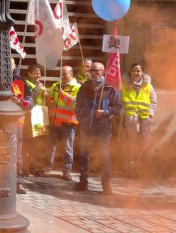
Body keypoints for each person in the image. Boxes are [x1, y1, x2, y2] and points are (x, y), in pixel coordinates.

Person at [73, 62, 122, 195]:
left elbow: (118, 107)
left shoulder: (110, 88)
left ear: (103, 72)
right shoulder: (85, 87)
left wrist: (105, 112)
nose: (94, 73)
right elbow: (78, 105)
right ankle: (83, 182)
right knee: (84, 154)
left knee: (104, 155)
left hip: (103, 128)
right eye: (92, 70)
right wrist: (81, 118)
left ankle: (106, 185)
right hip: (86, 126)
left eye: (97, 70)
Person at [44, 65, 81, 180]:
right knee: (50, 147)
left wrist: (63, 94)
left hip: (68, 124)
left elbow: (75, 103)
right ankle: (47, 167)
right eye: (62, 73)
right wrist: (49, 101)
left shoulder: (78, 87)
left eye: (65, 74)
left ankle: (66, 171)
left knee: (67, 148)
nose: (63, 76)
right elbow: (50, 98)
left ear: (72, 74)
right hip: (55, 122)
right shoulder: (56, 85)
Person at [121, 62, 157, 177]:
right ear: (130, 72)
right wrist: (124, 114)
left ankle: (140, 168)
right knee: (130, 144)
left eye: (138, 71)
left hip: (144, 120)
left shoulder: (148, 86)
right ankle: (129, 169)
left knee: (143, 144)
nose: (136, 73)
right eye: (134, 71)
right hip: (130, 120)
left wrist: (150, 114)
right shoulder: (124, 84)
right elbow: (119, 101)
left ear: (142, 72)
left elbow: (154, 101)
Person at [10, 57, 34, 194]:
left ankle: (18, 182)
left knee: (17, 154)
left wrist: (19, 101)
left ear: (15, 66)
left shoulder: (22, 82)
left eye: (10, 63)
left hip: (18, 124)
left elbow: (30, 104)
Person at [23, 63, 48, 176]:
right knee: (27, 142)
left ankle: (33, 166)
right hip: (29, 115)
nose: (38, 75)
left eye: (39, 73)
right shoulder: (26, 83)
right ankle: (24, 167)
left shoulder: (41, 85)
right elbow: (30, 96)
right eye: (35, 73)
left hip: (38, 115)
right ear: (29, 74)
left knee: (37, 142)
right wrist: (39, 88)